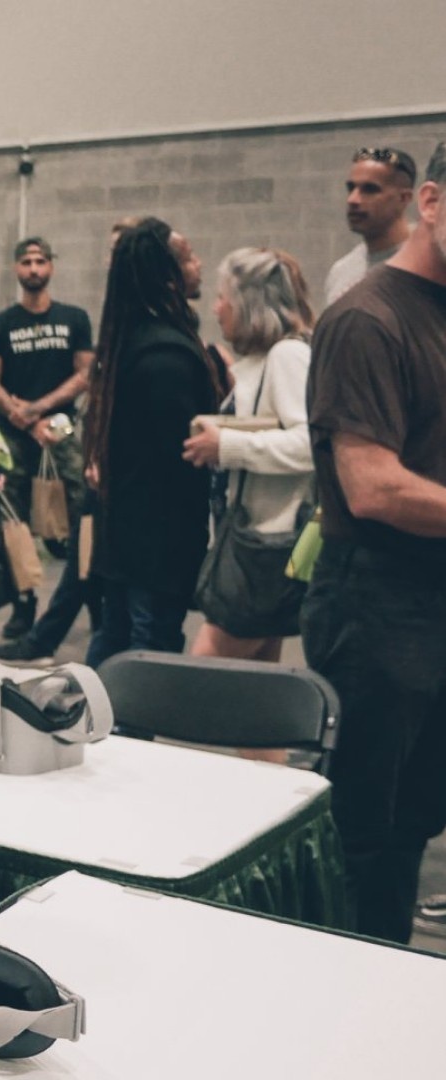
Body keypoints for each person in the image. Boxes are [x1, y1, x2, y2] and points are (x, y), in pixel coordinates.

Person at [303, 140, 446, 945]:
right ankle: (356, 977)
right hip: (376, 604)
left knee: (416, 818)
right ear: (429, 202)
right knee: (364, 833)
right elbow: (373, 486)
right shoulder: (367, 317)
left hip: (431, 598)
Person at [83, 219, 225, 667]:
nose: (199, 265)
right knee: (147, 652)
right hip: (156, 542)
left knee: (118, 638)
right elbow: (177, 456)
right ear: (167, 276)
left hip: (131, 533)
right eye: (189, 258)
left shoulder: (137, 338)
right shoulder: (166, 355)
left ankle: (91, 709)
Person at [181, 247, 315, 662]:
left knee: (203, 672)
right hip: (259, 541)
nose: (216, 307)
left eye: (224, 297)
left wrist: (226, 446)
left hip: (265, 546)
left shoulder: (287, 356)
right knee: (258, 675)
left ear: (249, 303)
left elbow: (309, 444)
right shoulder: (267, 359)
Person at [0, 237, 94, 643]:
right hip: (14, 434)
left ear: (51, 267)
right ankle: (23, 606)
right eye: (26, 261)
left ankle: (90, 600)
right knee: (14, 521)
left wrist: (39, 409)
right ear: (16, 268)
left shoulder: (74, 318)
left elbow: (85, 374)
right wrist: (26, 421)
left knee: (81, 515)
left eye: (40, 261)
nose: (33, 268)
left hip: (61, 431)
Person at [324, 147, 416, 306]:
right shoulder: (341, 271)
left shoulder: (429, 265)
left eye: (370, 189)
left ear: (403, 198)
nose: (353, 200)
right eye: (351, 188)